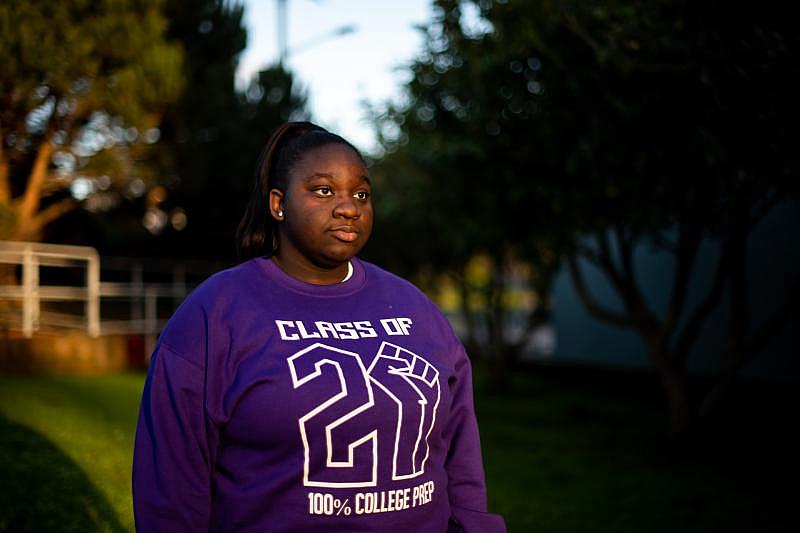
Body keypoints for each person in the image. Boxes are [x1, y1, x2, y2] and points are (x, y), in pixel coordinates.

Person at [132, 122, 506, 532]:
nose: (349, 207)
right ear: (278, 204)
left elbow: (460, 454)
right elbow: (171, 491)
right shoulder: (215, 314)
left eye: (361, 193)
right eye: (324, 190)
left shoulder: (417, 310)